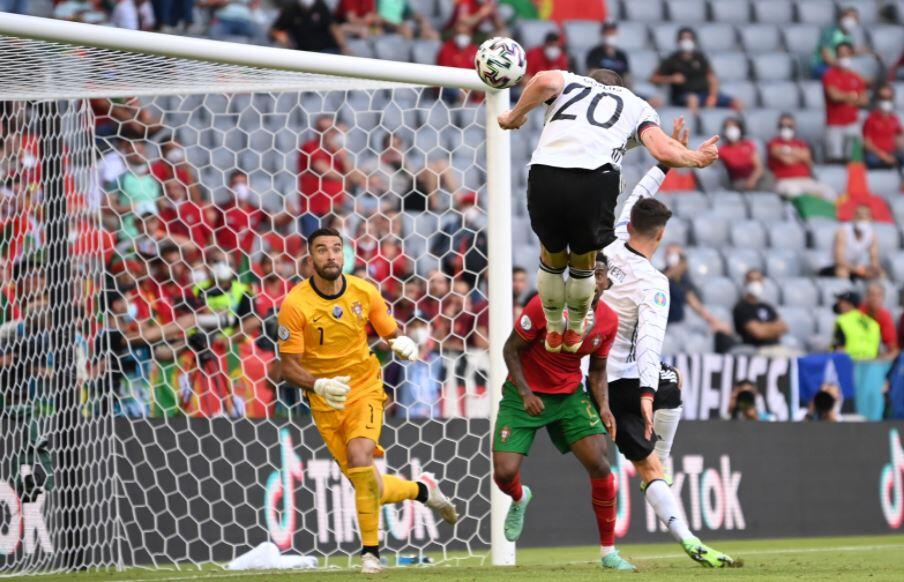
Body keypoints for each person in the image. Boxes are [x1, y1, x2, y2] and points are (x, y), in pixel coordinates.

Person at [497, 67, 720, 353]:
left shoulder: (572, 81)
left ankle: (554, 326)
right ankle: (575, 327)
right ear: (622, 87)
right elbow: (662, 150)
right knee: (583, 261)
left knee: (550, 255)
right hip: (594, 180)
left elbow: (544, 81)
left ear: (591, 80)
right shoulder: (636, 104)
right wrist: (696, 158)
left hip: (546, 172)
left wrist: (513, 116)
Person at [276, 228, 458, 574]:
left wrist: (402, 345)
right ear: (310, 258)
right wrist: (319, 384)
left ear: (343, 254)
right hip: (324, 401)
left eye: (335, 249)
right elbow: (288, 368)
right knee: (367, 483)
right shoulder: (295, 306)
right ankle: (423, 491)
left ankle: (370, 554)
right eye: (321, 250)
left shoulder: (364, 291)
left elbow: (391, 334)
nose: (330, 255)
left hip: (364, 388)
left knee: (360, 455)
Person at [601, 159, 737, 567]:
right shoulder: (655, 283)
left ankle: (664, 462)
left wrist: (664, 161)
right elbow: (649, 343)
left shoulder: (609, 245)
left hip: (587, 369)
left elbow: (638, 197)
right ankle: (688, 536)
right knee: (649, 462)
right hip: (622, 379)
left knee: (671, 379)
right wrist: (646, 392)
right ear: (660, 235)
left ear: (631, 226)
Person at [493, 254, 635, 571]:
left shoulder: (609, 321)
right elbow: (510, 348)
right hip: (523, 395)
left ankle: (608, 552)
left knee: (600, 465)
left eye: (597, 274)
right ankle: (519, 497)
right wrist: (526, 391)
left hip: (569, 396)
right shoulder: (545, 306)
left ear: (605, 282)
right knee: (503, 474)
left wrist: (604, 407)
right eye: (584, 273)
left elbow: (597, 370)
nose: (591, 279)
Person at [650, 27, 742, 112]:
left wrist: (712, 97)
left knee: (737, 102)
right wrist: (671, 78)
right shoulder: (671, 60)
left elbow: (712, 78)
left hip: (705, 94)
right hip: (684, 96)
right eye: (683, 39)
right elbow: (653, 79)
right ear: (678, 41)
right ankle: (695, 124)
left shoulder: (700, 58)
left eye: (689, 38)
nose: (687, 41)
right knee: (693, 100)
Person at [662, 243, 733, 347]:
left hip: (677, 324)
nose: (672, 258)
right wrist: (670, 273)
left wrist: (715, 322)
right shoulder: (658, 276)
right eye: (669, 254)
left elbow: (695, 304)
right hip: (663, 326)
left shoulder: (683, 281)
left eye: (678, 256)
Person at [767, 113, 837, 199]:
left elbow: (807, 158)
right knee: (794, 192)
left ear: (794, 127)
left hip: (805, 180)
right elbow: (786, 160)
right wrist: (799, 155)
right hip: (785, 181)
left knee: (828, 192)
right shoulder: (773, 142)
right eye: (782, 126)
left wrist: (787, 151)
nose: (786, 129)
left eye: (789, 126)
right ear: (778, 127)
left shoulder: (801, 143)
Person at [822, 42, 869, 162]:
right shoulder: (830, 75)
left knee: (854, 159)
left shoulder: (856, 77)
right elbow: (834, 96)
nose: (844, 58)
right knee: (835, 159)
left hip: (852, 124)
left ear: (851, 55)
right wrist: (853, 96)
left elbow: (864, 100)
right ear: (837, 56)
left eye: (847, 54)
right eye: (841, 55)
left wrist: (845, 97)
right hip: (834, 124)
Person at [732, 269, 789, 354]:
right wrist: (773, 328)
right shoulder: (741, 307)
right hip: (757, 349)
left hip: (777, 347)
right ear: (745, 283)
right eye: (752, 280)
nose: (755, 284)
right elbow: (758, 333)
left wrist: (763, 327)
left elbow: (784, 327)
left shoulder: (767, 306)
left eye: (758, 280)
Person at [821, 204, 884, 281]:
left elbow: (873, 257)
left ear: (870, 218)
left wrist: (875, 269)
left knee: (879, 273)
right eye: (859, 215)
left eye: (865, 215)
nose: (862, 218)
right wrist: (857, 270)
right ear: (854, 217)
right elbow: (839, 259)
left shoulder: (872, 234)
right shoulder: (843, 231)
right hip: (833, 266)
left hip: (854, 267)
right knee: (842, 272)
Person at [270, 0, 347, 54]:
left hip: (327, 50)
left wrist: (343, 47)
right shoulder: (290, 9)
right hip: (304, 52)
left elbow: (333, 27)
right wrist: (282, 37)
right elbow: (274, 30)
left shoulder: (320, 5)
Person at [811, 6, 862, 79]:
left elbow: (850, 54)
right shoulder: (829, 32)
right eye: (848, 16)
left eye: (854, 17)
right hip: (822, 66)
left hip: (839, 67)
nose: (851, 20)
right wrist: (843, 69)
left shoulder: (850, 37)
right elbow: (826, 57)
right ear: (841, 18)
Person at [436, 22, 480, 104]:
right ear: (454, 34)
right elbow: (445, 75)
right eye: (459, 33)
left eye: (465, 33)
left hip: (471, 87)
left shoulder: (475, 50)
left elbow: (479, 72)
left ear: (470, 34)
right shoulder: (446, 48)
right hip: (450, 87)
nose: (462, 36)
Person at [718, 117, 765, 191]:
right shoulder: (722, 149)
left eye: (734, 127)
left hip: (755, 178)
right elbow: (712, 161)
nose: (732, 130)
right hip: (739, 181)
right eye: (728, 127)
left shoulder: (748, 145)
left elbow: (759, 167)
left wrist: (753, 180)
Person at [863, 84, 903, 170]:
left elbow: (899, 138)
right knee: (871, 160)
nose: (886, 101)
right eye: (883, 98)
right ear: (878, 99)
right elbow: (867, 143)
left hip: (891, 153)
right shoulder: (870, 119)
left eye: (889, 98)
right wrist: (883, 156)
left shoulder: (894, 119)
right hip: (876, 155)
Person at [832, 290, 881, 361]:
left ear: (849, 304)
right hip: (870, 366)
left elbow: (839, 351)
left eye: (841, 302)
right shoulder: (873, 323)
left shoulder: (842, 321)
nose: (838, 305)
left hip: (850, 364)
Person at [860, 282, 898, 360]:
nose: (875, 298)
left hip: (875, 359)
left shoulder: (885, 316)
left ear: (883, 298)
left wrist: (885, 358)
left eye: (879, 295)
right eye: (871, 294)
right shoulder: (858, 313)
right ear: (866, 297)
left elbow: (891, 345)